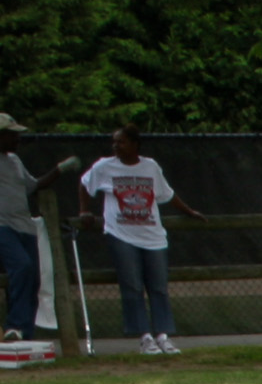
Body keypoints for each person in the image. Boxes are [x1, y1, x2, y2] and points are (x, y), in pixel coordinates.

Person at [80, 128, 202, 357]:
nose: (116, 146)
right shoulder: (104, 167)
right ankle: (144, 337)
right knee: (133, 286)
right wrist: (84, 210)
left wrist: (188, 210)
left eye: (122, 142)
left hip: (152, 236)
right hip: (121, 235)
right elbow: (85, 185)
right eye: (114, 142)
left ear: (136, 144)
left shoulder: (150, 166)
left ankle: (163, 335)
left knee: (158, 287)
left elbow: (166, 193)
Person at [0, 116, 77, 343]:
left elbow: (32, 186)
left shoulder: (14, 160)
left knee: (33, 278)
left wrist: (60, 170)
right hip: (2, 226)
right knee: (22, 266)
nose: (17, 138)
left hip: (24, 226)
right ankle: (14, 325)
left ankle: (24, 334)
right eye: (12, 134)